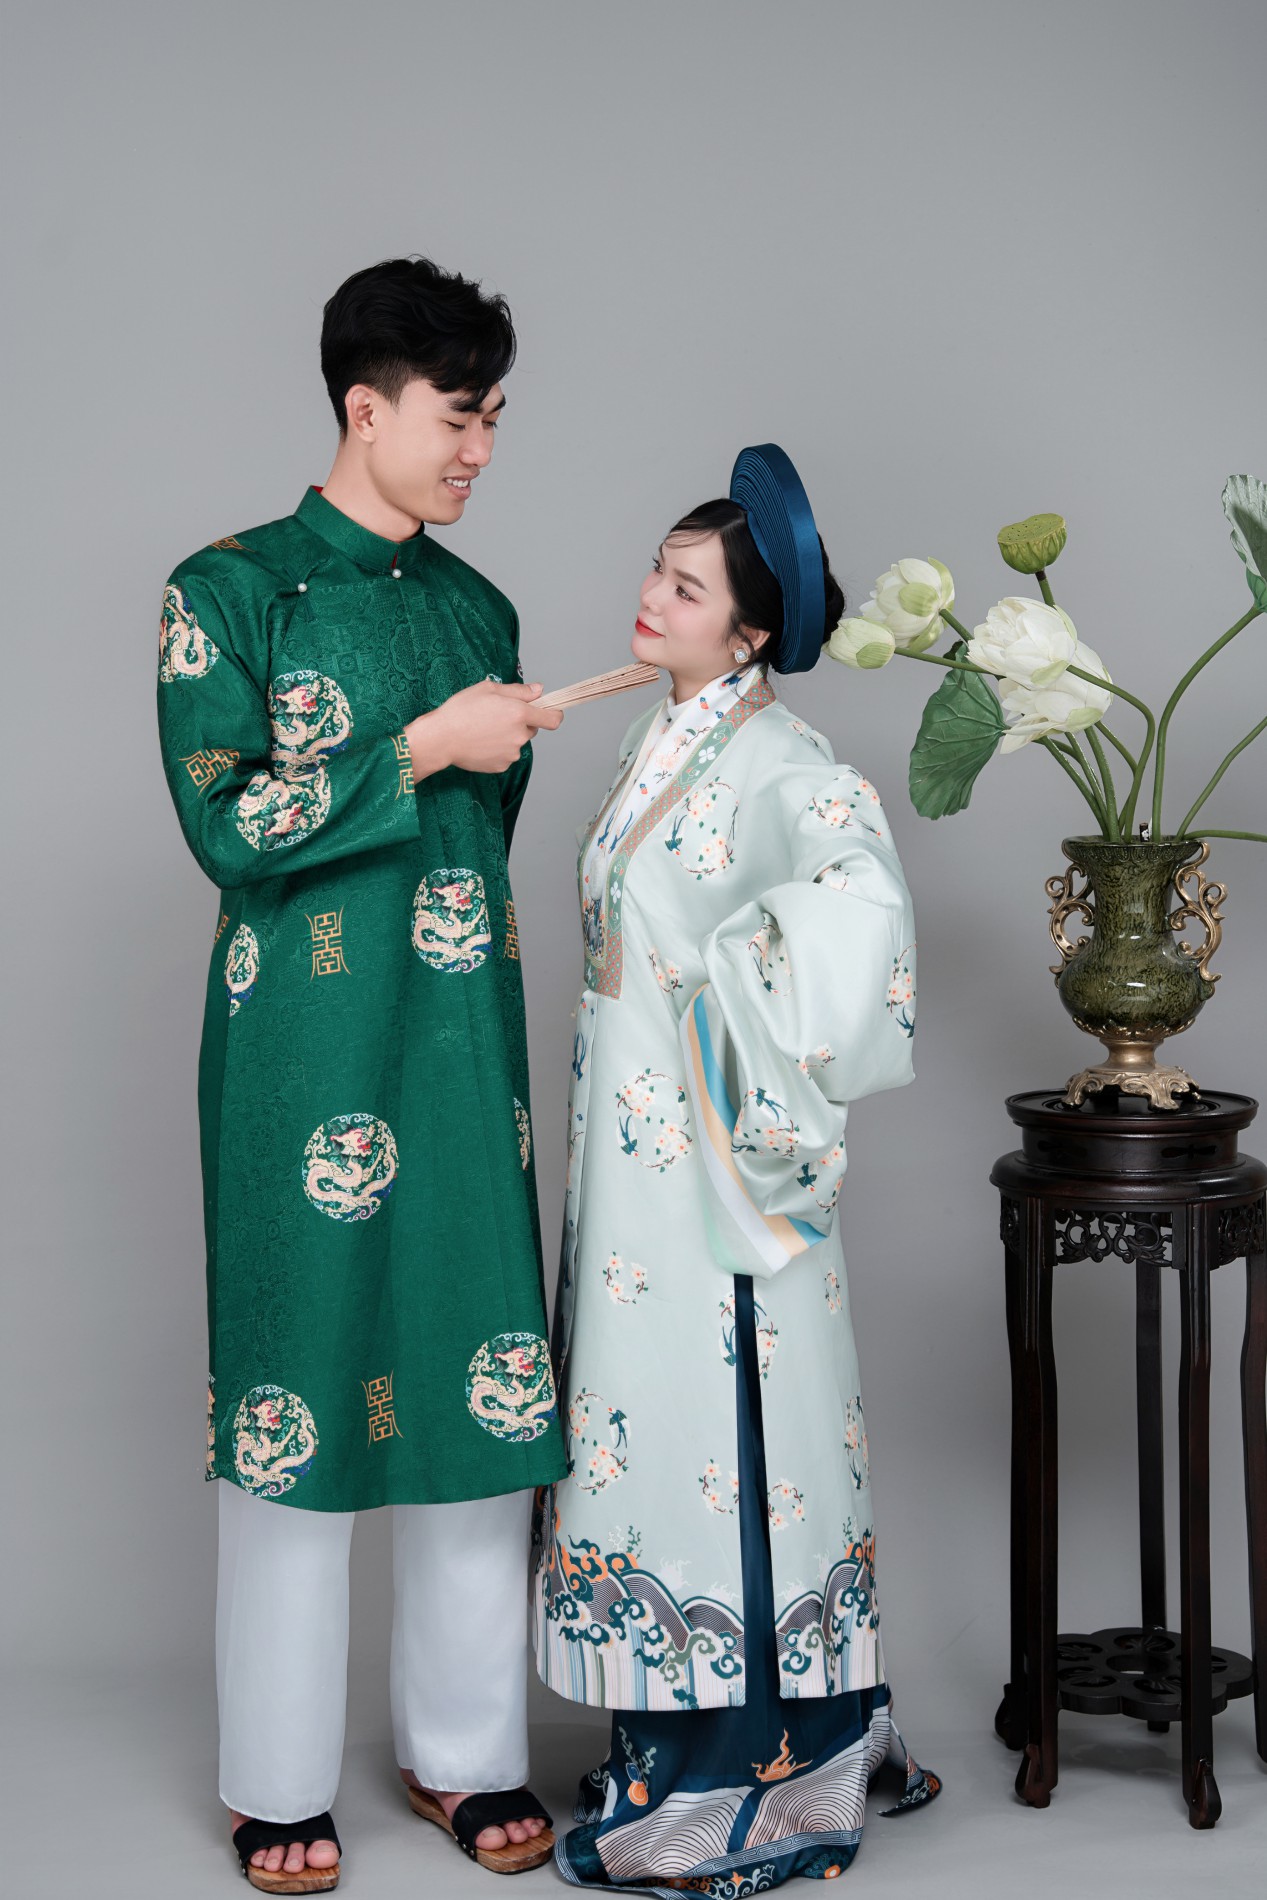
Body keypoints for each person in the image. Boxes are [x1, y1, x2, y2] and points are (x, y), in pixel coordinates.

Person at [158, 257, 565, 1891]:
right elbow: (228, 827)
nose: (480, 451)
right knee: (296, 1380)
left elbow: (487, 842)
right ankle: (275, 1778)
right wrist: (417, 748)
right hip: (298, 1051)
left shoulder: (481, 612)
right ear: (365, 406)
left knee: (480, 1361)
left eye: (494, 419)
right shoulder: (227, 589)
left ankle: (462, 1755)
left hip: (460, 1040)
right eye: (459, 417)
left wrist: (458, 757)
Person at [532, 445, 939, 1891]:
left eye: (688, 587)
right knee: (653, 1426)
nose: (653, 595)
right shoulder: (664, 732)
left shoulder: (782, 761)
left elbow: (864, 912)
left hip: (714, 1171)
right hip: (635, 1168)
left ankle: (752, 1769)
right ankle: (677, 1739)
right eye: (659, 566)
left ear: (752, 631)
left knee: (725, 1429)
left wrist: (734, 1012)